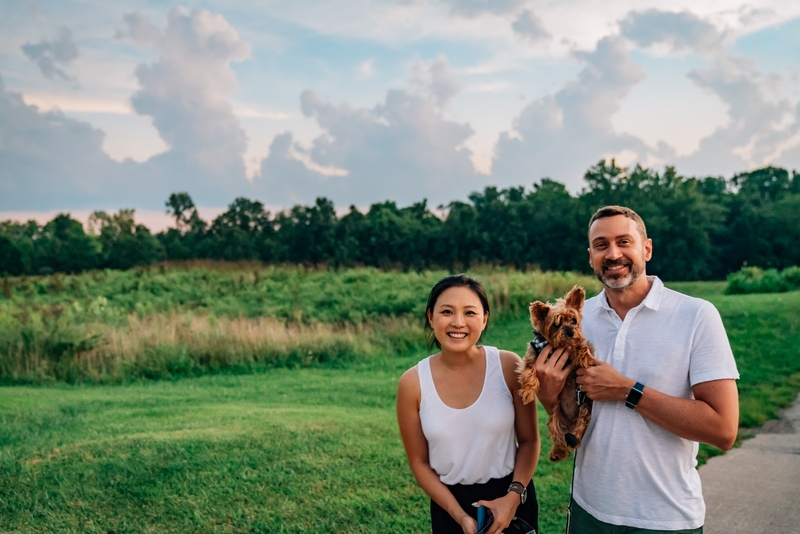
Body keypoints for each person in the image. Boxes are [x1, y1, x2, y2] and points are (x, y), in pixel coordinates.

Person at [535, 205, 740, 534]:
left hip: (665, 517)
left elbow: (723, 430)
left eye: (624, 241)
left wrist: (626, 391)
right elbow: (576, 421)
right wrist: (549, 396)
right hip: (589, 510)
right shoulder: (577, 321)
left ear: (647, 248)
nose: (613, 253)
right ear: (590, 257)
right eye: (601, 245)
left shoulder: (696, 315)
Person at [397, 274, 541, 534]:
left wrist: (512, 498)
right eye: (447, 311)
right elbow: (419, 462)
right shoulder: (413, 383)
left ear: (484, 319)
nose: (458, 322)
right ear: (431, 317)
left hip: (512, 498)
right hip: (450, 506)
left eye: (470, 312)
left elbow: (530, 441)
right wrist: (459, 515)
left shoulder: (509, 366)